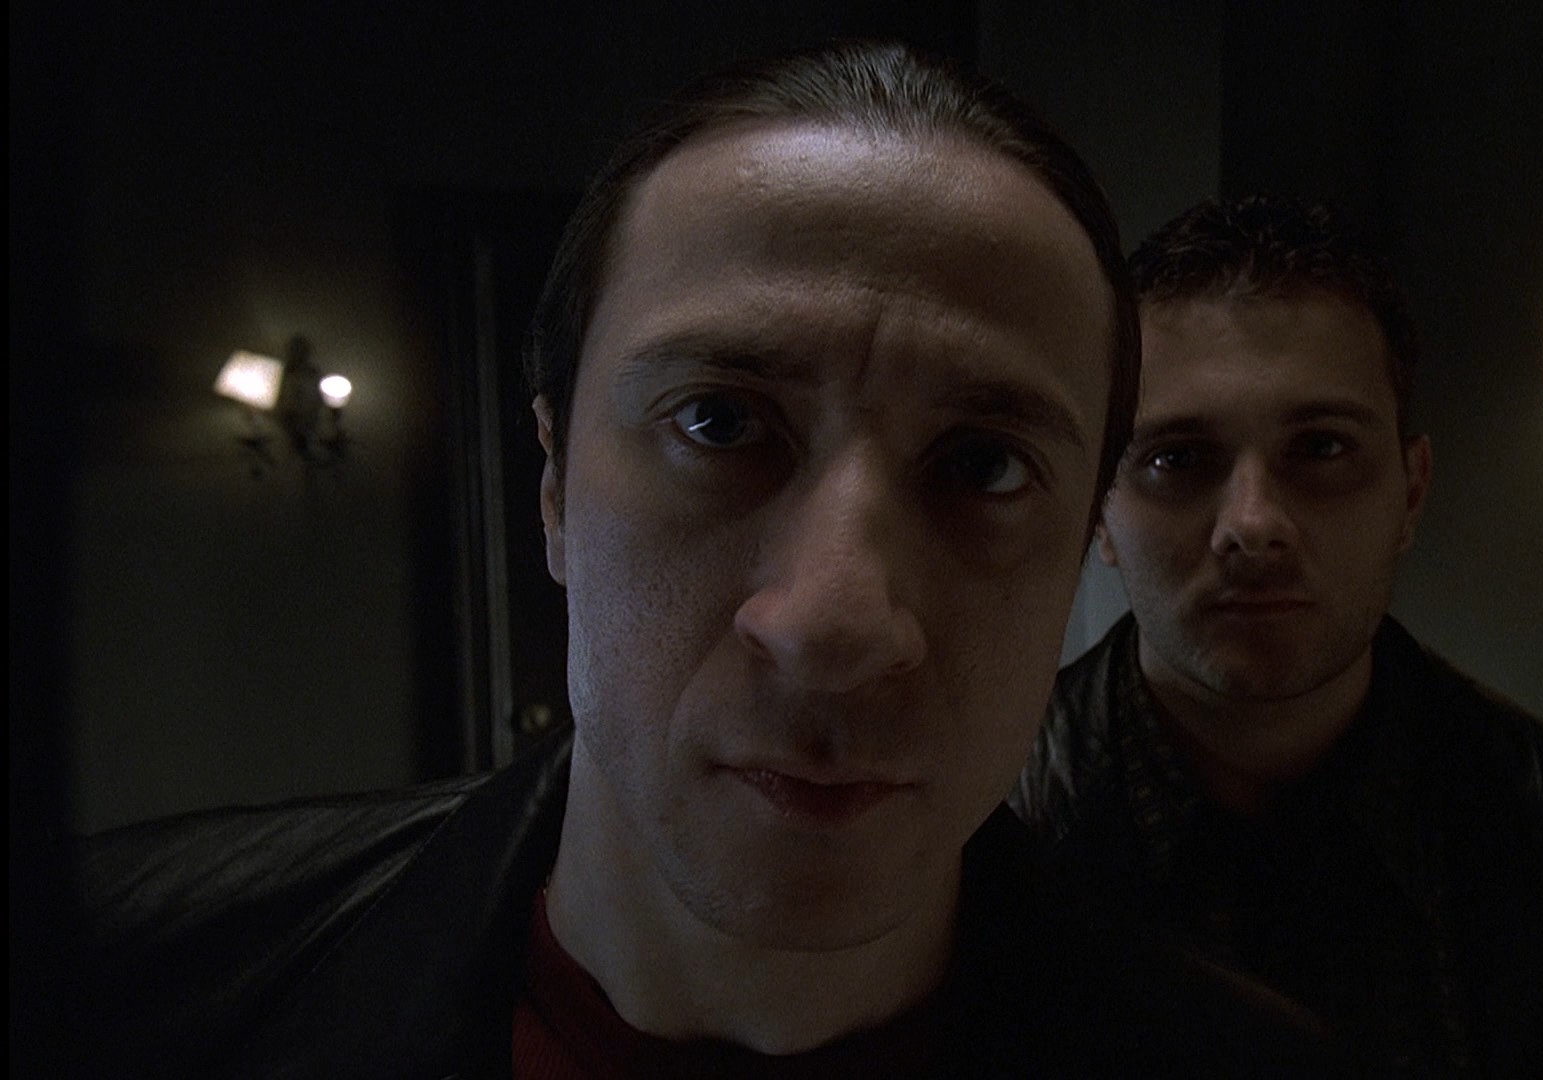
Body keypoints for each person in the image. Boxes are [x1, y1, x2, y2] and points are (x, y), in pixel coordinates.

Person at [70, 44, 1341, 1079]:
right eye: (721, 424)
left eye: (982, 466)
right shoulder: (112, 987)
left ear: (1084, 545)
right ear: (554, 485)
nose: (834, 622)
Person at [1014, 194, 1543, 1078]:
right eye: (1177, 458)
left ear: (1411, 493)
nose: (1252, 525)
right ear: (1101, 509)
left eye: (1322, 449)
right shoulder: (962, 846)